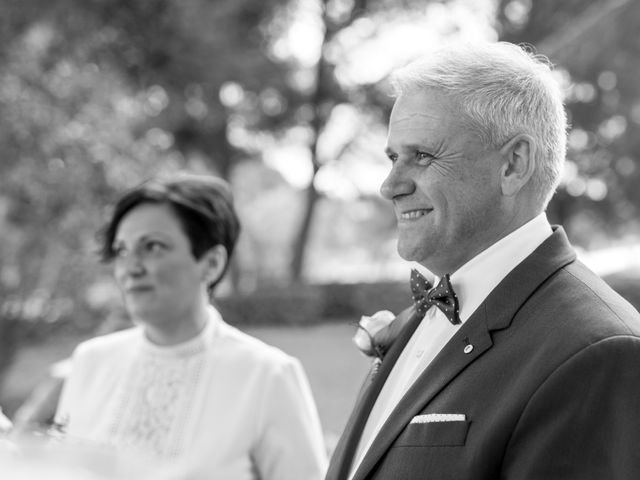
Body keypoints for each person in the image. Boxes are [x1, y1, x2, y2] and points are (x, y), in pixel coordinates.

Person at [326, 41, 640, 480]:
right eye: (394, 158)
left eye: (422, 156)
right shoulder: (425, 315)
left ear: (513, 164)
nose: (390, 185)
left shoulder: (599, 350)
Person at [54, 173, 328, 480]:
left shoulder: (266, 375)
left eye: (153, 246)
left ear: (211, 263)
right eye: (121, 250)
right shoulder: (91, 362)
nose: (131, 268)